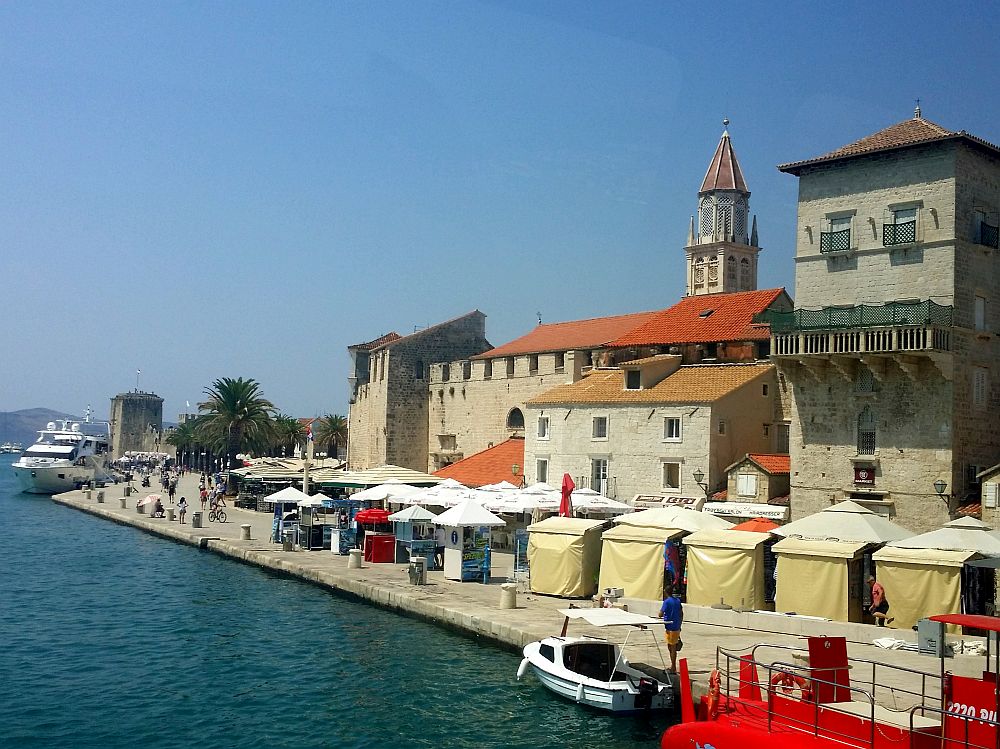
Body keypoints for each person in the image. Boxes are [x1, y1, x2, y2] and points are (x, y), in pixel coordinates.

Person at [659, 583, 683, 673]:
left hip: (670, 627)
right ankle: (672, 666)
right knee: (671, 646)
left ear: (665, 592)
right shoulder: (677, 601)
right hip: (676, 626)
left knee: (672, 648)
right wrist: (680, 625)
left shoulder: (667, 601)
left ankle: (673, 667)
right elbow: (681, 613)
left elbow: (660, 614)